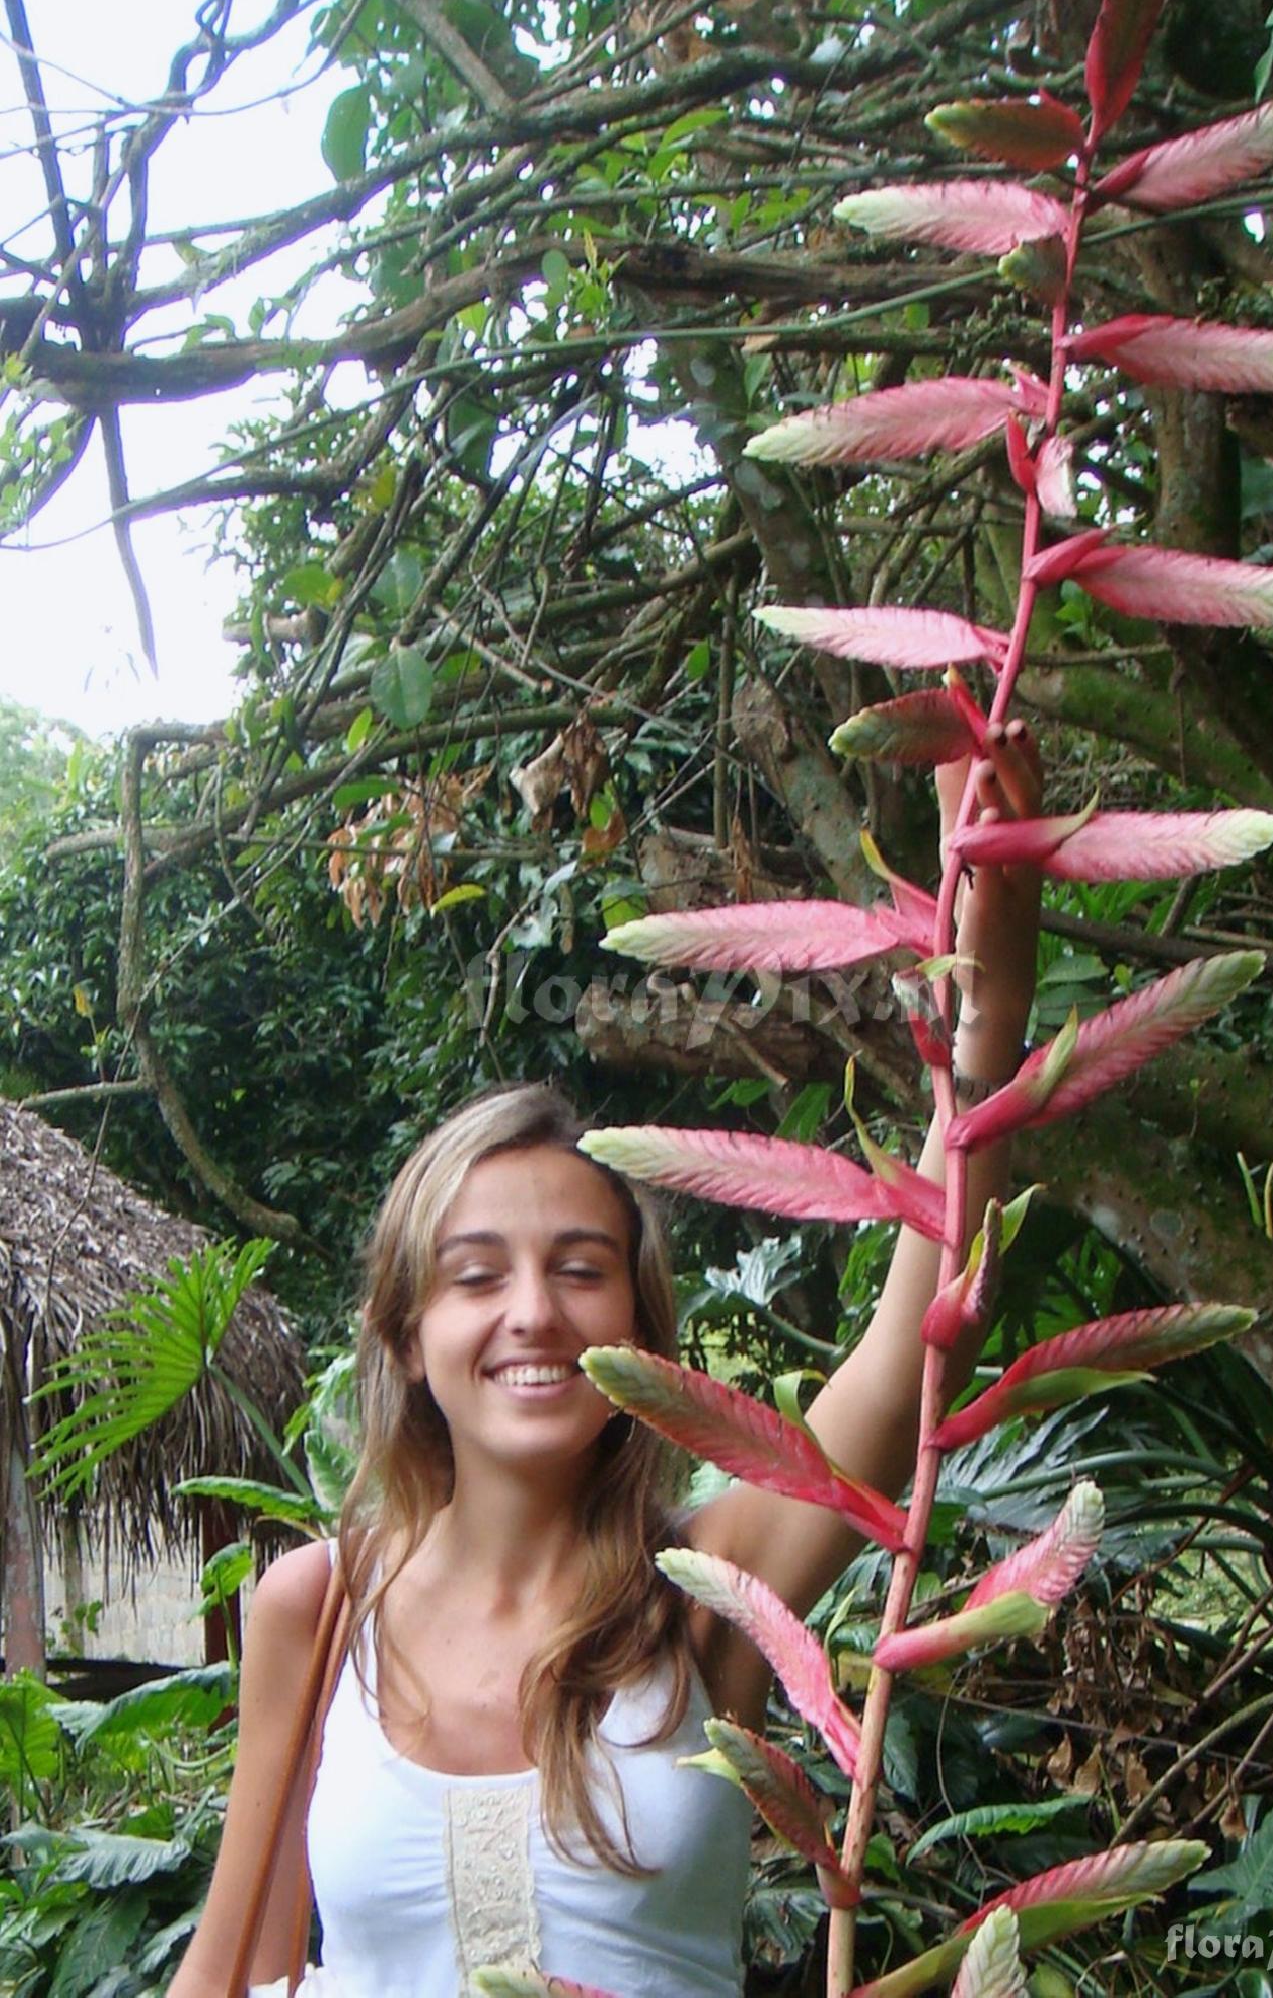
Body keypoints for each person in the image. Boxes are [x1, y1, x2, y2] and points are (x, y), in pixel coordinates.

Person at [167, 725, 1042, 1998]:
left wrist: (992, 1009)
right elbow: (229, 1972)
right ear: (410, 1334)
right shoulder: (317, 1606)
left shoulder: (710, 1586)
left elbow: (913, 1349)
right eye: (474, 1274)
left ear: (639, 1322)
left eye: (581, 1266)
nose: (533, 1311)